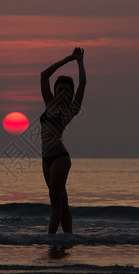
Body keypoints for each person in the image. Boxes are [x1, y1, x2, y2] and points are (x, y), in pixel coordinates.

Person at [40, 47, 86, 234]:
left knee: (55, 201)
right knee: (62, 201)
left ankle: (50, 238)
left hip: (60, 158)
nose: (63, 93)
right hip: (45, 160)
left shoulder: (70, 110)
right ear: (55, 90)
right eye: (60, 89)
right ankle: (68, 236)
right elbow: (44, 75)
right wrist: (67, 59)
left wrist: (80, 62)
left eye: (67, 91)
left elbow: (82, 83)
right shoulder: (49, 103)